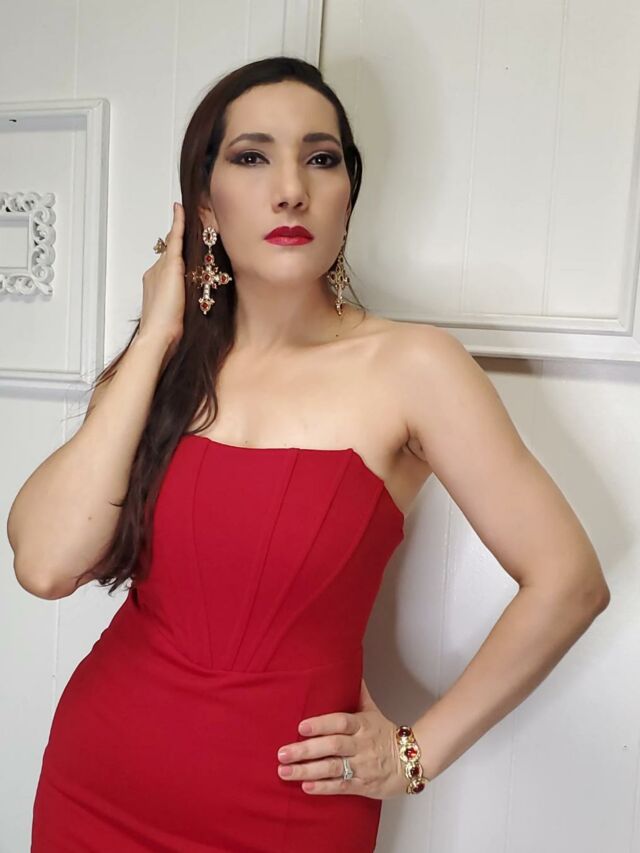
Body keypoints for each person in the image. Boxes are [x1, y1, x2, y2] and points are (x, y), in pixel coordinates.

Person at [8, 56, 609, 852]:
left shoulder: (414, 367)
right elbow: (45, 565)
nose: (290, 188)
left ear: (347, 193)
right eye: (252, 157)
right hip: (97, 786)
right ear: (205, 203)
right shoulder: (161, 367)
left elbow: (569, 581)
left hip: (290, 814)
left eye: (320, 158)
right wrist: (156, 332)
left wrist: (415, 753)